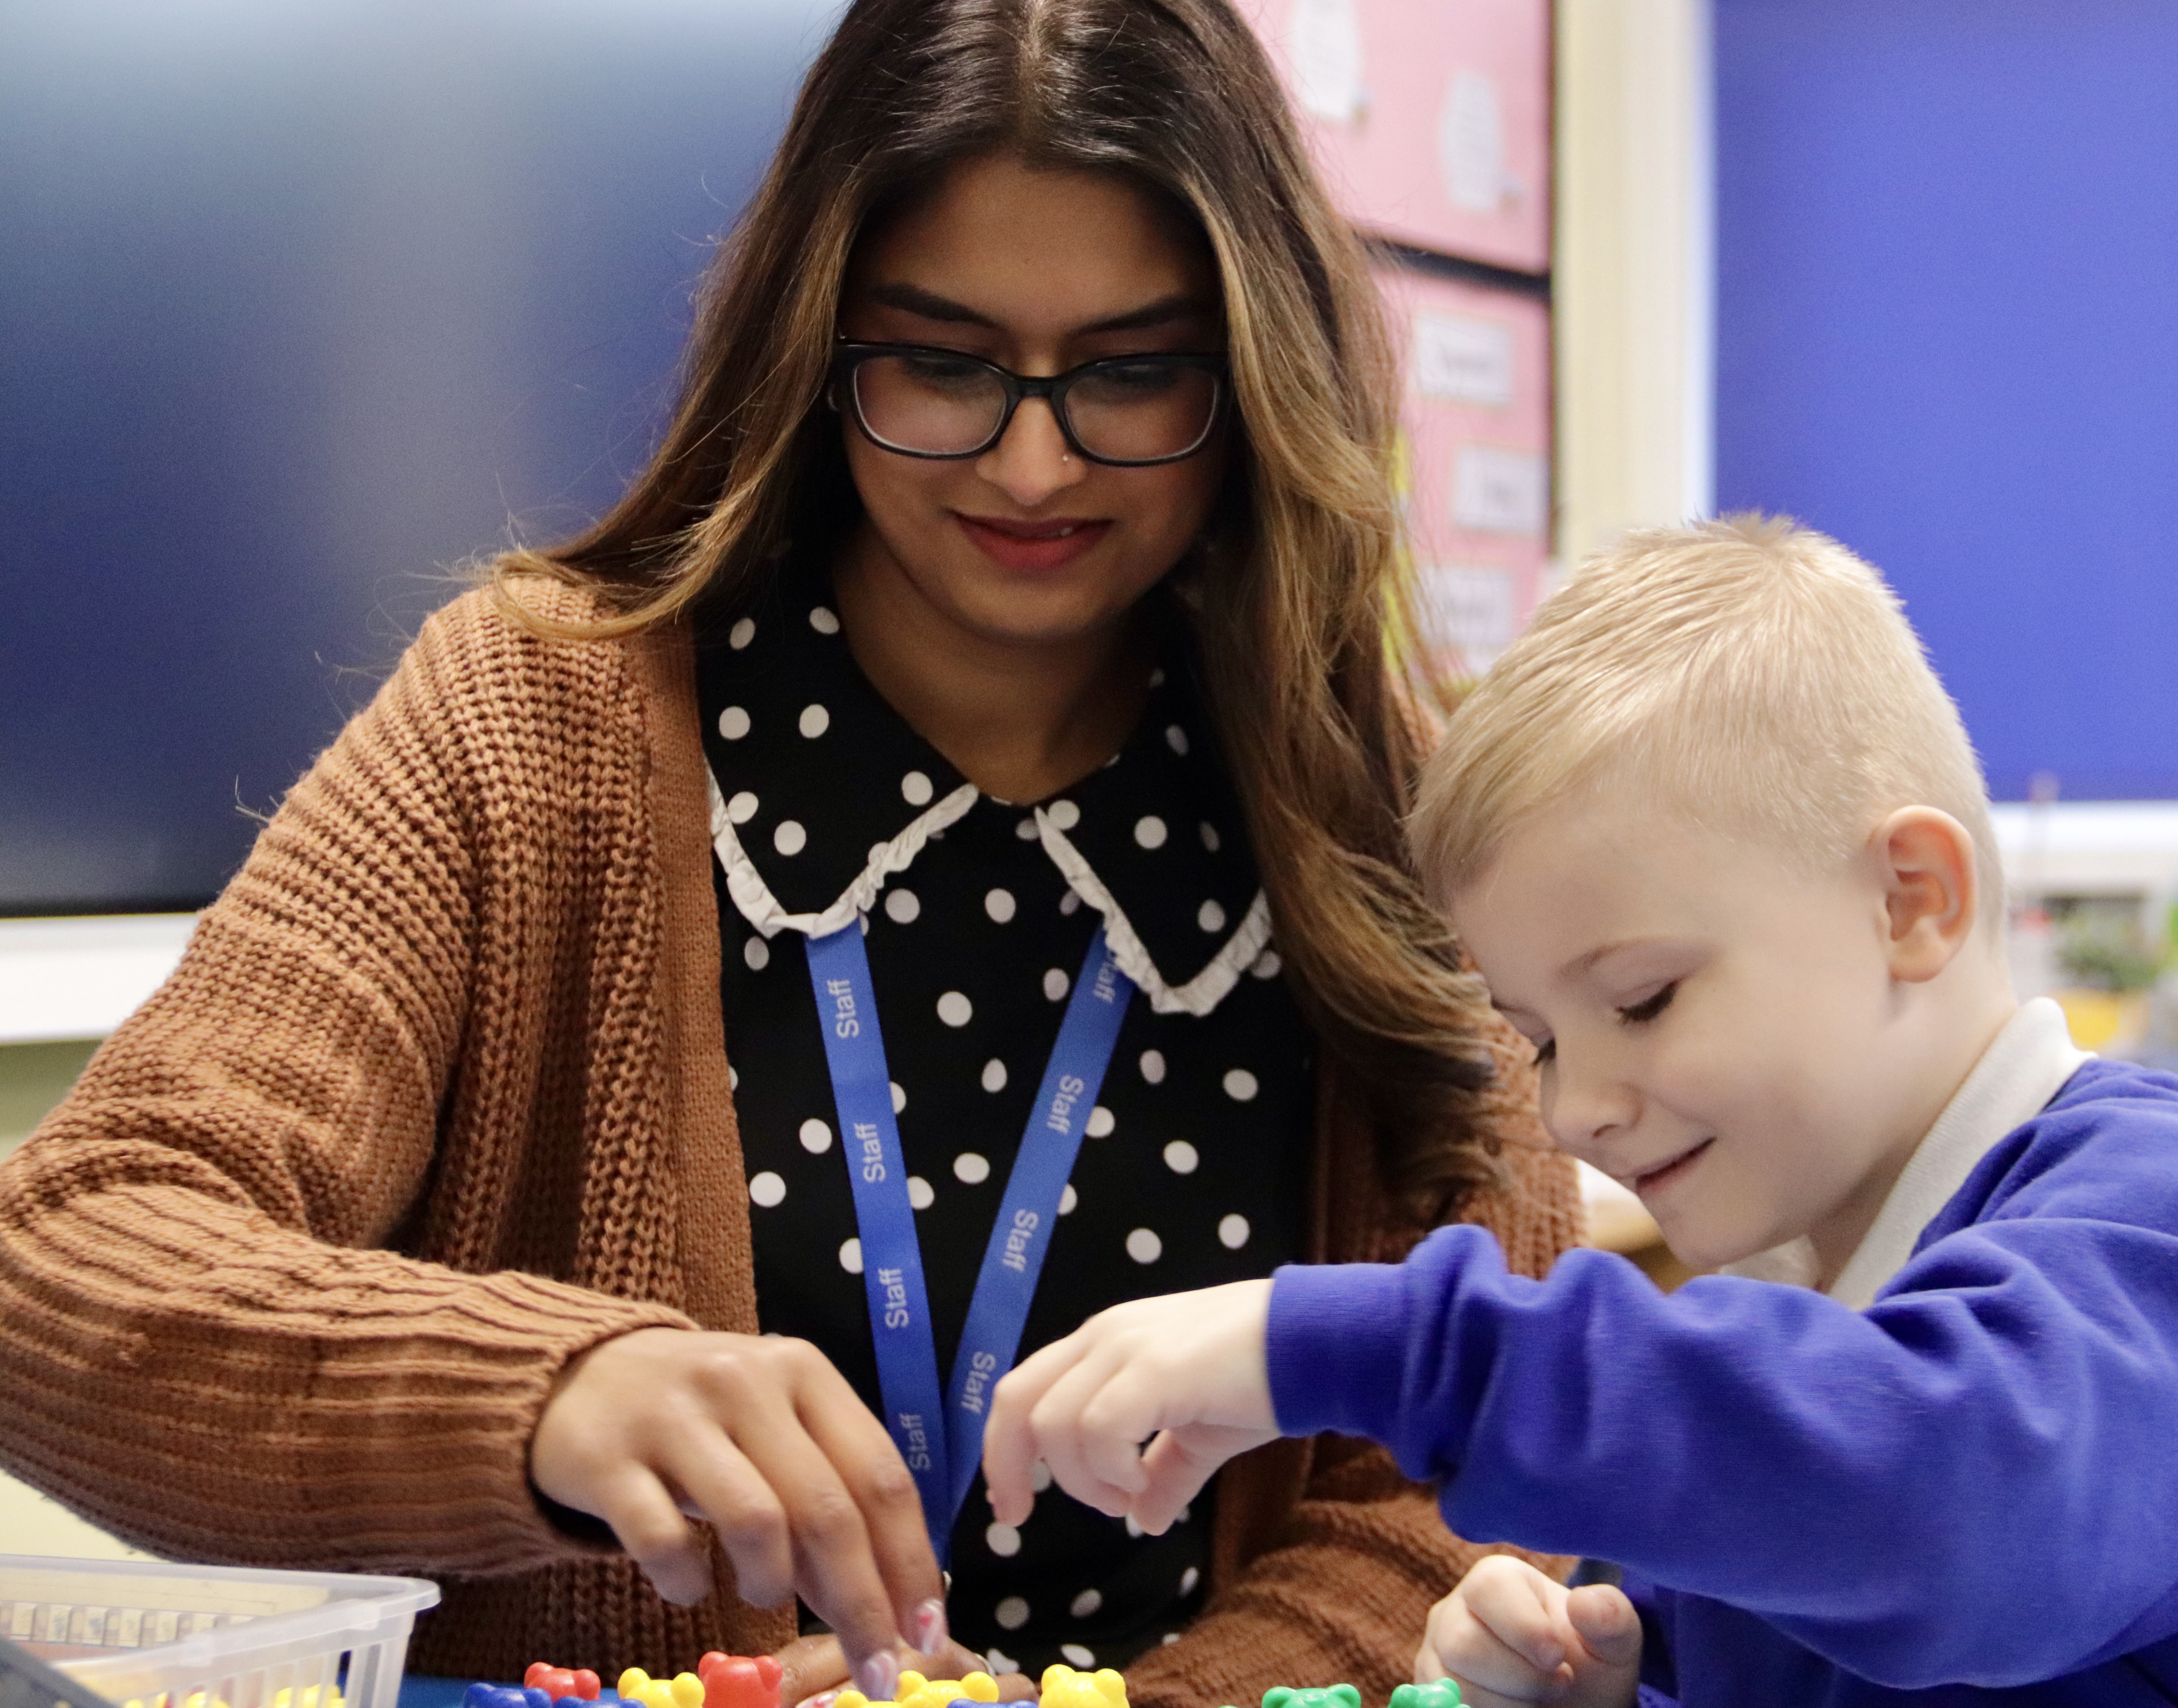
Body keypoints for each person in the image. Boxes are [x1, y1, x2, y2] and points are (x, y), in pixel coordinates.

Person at [0, 3, 1580, 1704]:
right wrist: (546, 1392)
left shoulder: (1390, 816)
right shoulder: (536, 727)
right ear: (815, 348)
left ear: (1257, 375)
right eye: (943, 363)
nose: (1032, 460)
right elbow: (67, 1259)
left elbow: (1488, 1471)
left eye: (1132, 372)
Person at [981, 517, 2178, 1705]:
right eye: (1538, 1042)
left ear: (1912, 902)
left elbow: (1940, 1513)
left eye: (1641, 1000)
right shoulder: (1770, 1342)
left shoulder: (2175, 1225)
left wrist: (1354, 1344)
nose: (1576, 1111)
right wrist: (1612, 1683)